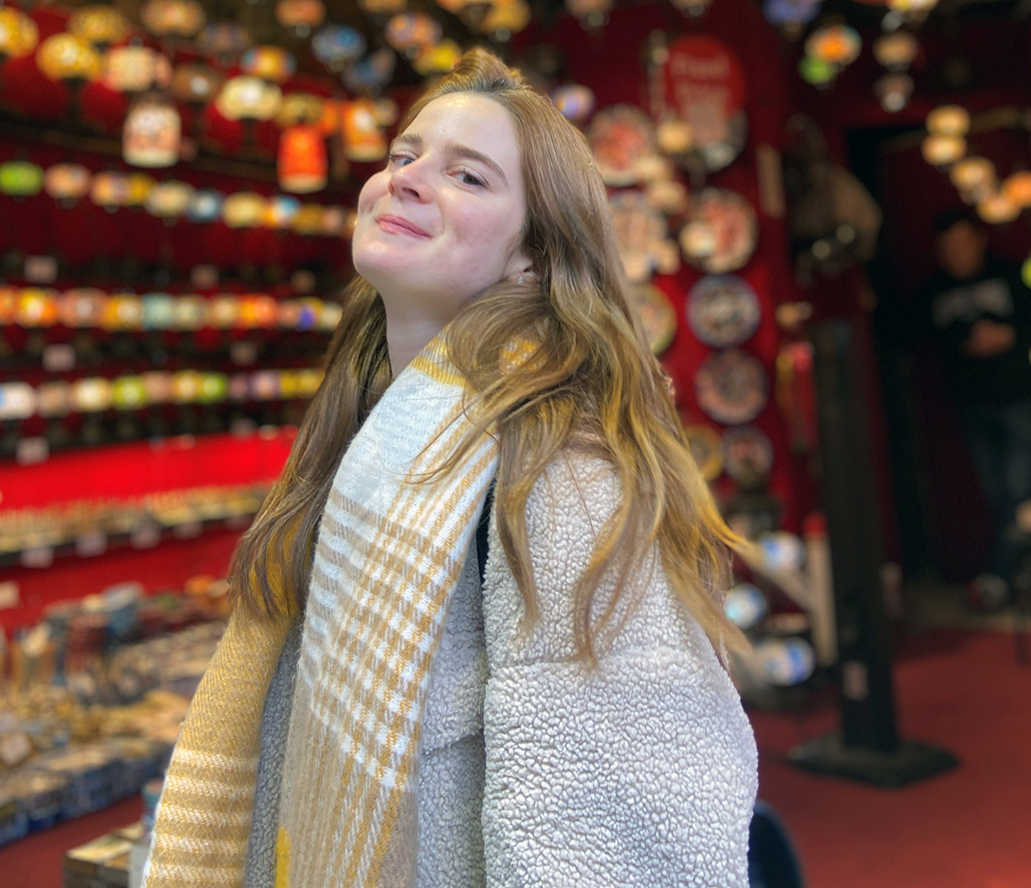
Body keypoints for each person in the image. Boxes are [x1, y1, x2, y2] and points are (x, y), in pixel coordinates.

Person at [144, 50, 758, 888]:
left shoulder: (560, 462)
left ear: (531, 257)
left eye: (467, 175)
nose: (405, 177)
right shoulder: (367, 431)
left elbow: (618, 815)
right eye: (404, 154)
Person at [920, 207, 1031, 608]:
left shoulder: (1012, 275)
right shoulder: (935, 292)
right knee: (996, 493)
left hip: (1020, 397)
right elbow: (913, 335)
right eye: (947, 248)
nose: (956, 254)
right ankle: (1019, 575)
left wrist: (1009, 336)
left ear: (979, 241)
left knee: (1020, 488)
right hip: (972, 403)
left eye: (962, 244)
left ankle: (1009, 577)